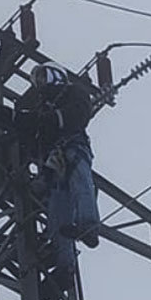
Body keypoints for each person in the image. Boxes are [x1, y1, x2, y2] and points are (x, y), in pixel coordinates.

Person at [14, 62, 102, 275]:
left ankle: (88, 224)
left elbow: (79, 115)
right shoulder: (43, 107)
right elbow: (35, 136)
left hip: (72, 146)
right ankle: (64, 265)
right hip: (52, 162)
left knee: (80, 181)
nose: (41, 83)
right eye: (38, 80)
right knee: (57, 208)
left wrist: (49, 120)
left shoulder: (72, 93)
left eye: (43, 77)